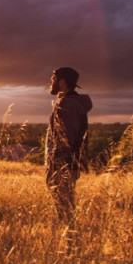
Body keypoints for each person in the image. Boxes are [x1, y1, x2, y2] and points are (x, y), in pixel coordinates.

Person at [45, 67, 93, 231]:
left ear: (62, 82)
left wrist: (59, 166)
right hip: (63, 164)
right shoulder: (65, 102)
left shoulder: (69, 105)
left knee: (64, 206)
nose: (50, 82)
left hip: (63, 164)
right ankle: (66, 236)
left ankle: (69, 239)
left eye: (53, 79)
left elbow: (67, 140)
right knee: (63, 204)